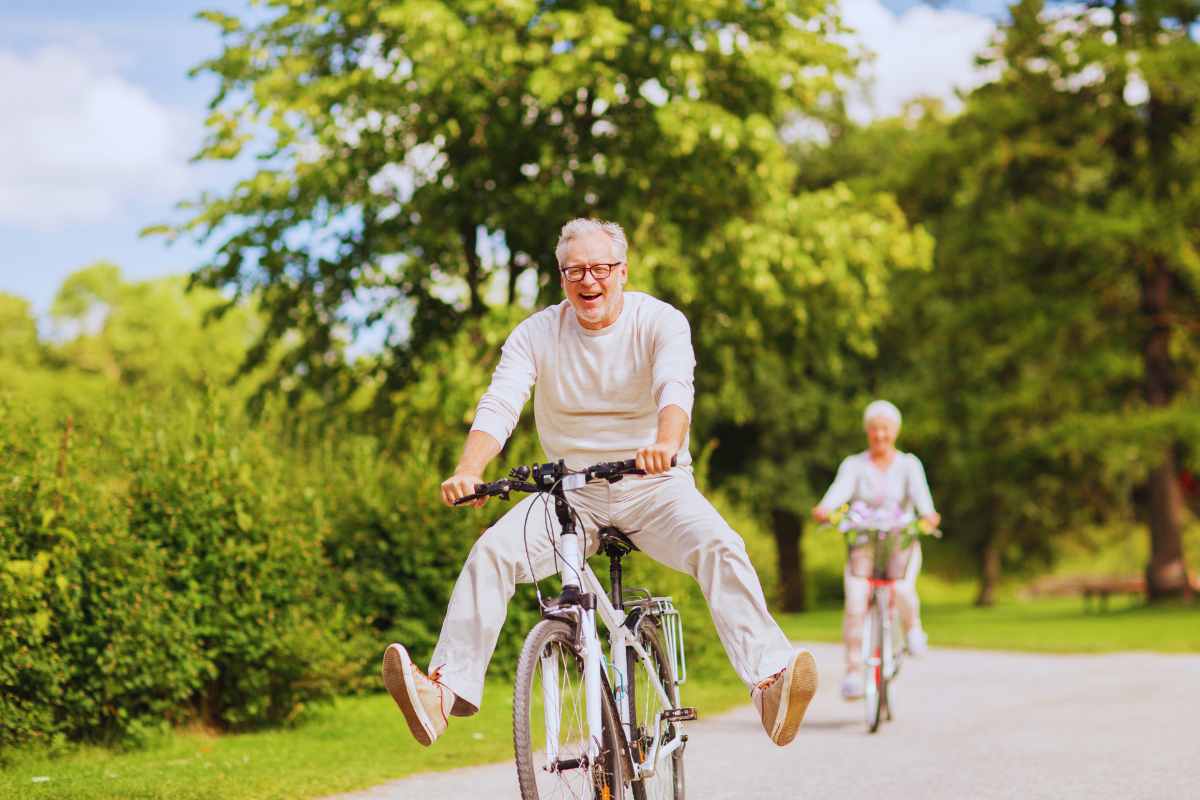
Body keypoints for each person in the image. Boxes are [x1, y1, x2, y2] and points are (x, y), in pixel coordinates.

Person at [381, 218, 817, 748]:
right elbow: (500, 403)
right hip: (570, 493)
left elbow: (675, 388)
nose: (588, 281)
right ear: (561, 277)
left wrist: (665, 442)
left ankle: (770, 683)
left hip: (654, 485)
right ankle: (442, 695)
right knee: (491, 553)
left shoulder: (659, 321)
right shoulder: (536, 333)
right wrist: (469, 470)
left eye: (600, 269)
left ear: (622, 271)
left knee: (720, 545)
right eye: (574, 271)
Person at [811, 400, 940, 701]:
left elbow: (923, 501)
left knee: (903, 589)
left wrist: (928, 516)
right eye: (874, 429)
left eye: (885, 429)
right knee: (855, 602)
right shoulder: (854, 465)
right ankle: (854, 673)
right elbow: (838, 492)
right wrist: (825, 508)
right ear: (867, 432)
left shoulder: (909, 465)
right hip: (864, 545)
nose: (880, 435)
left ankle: (912, 630)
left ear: (895, 431)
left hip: (900, 544)